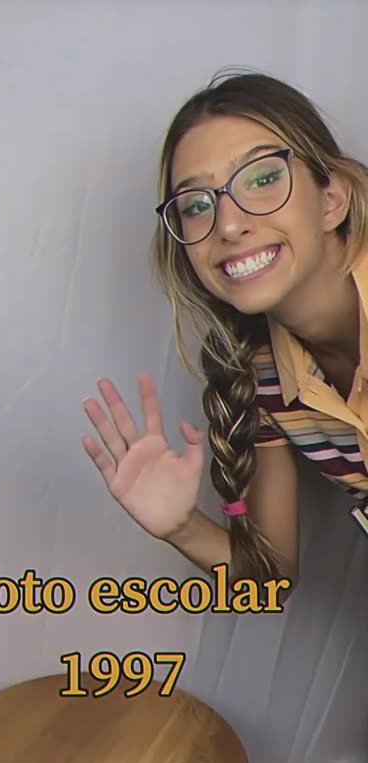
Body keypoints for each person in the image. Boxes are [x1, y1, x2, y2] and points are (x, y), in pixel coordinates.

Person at [81, 68, 368, 595]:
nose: (229, 225)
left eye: (262, 179)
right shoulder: (263, 378)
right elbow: (270, 581)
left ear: (332, 199)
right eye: (196, 205)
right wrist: (180, 527)